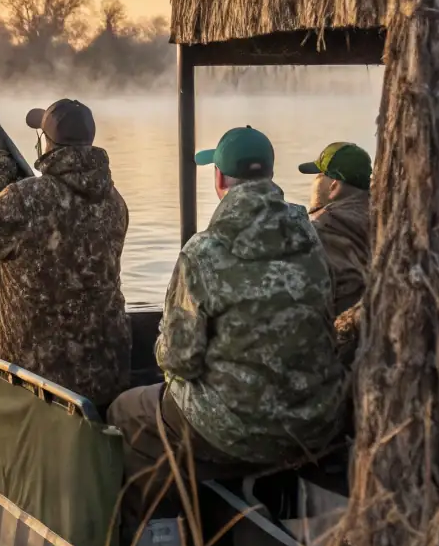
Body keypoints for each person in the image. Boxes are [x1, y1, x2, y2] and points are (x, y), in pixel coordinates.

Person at [107, 126, 346, 525]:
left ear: (219, 179)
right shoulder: (311, 237)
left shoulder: (203, 251)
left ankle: (155, 542)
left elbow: (180, 359)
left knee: (126, 412)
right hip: (313, 419)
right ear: (271, 175)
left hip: (233, 428)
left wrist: (165, 351)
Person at [0, 98, 131, 410]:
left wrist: (0, 164)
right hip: (104, 375)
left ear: (46, 144)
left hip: (36, 380)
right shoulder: (115, 203)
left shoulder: (28, 199)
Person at [299, 142, 372, 366]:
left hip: (337, 358)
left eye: (319, 174)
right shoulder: (388, 217)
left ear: (334, 185)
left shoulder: (319, 232)